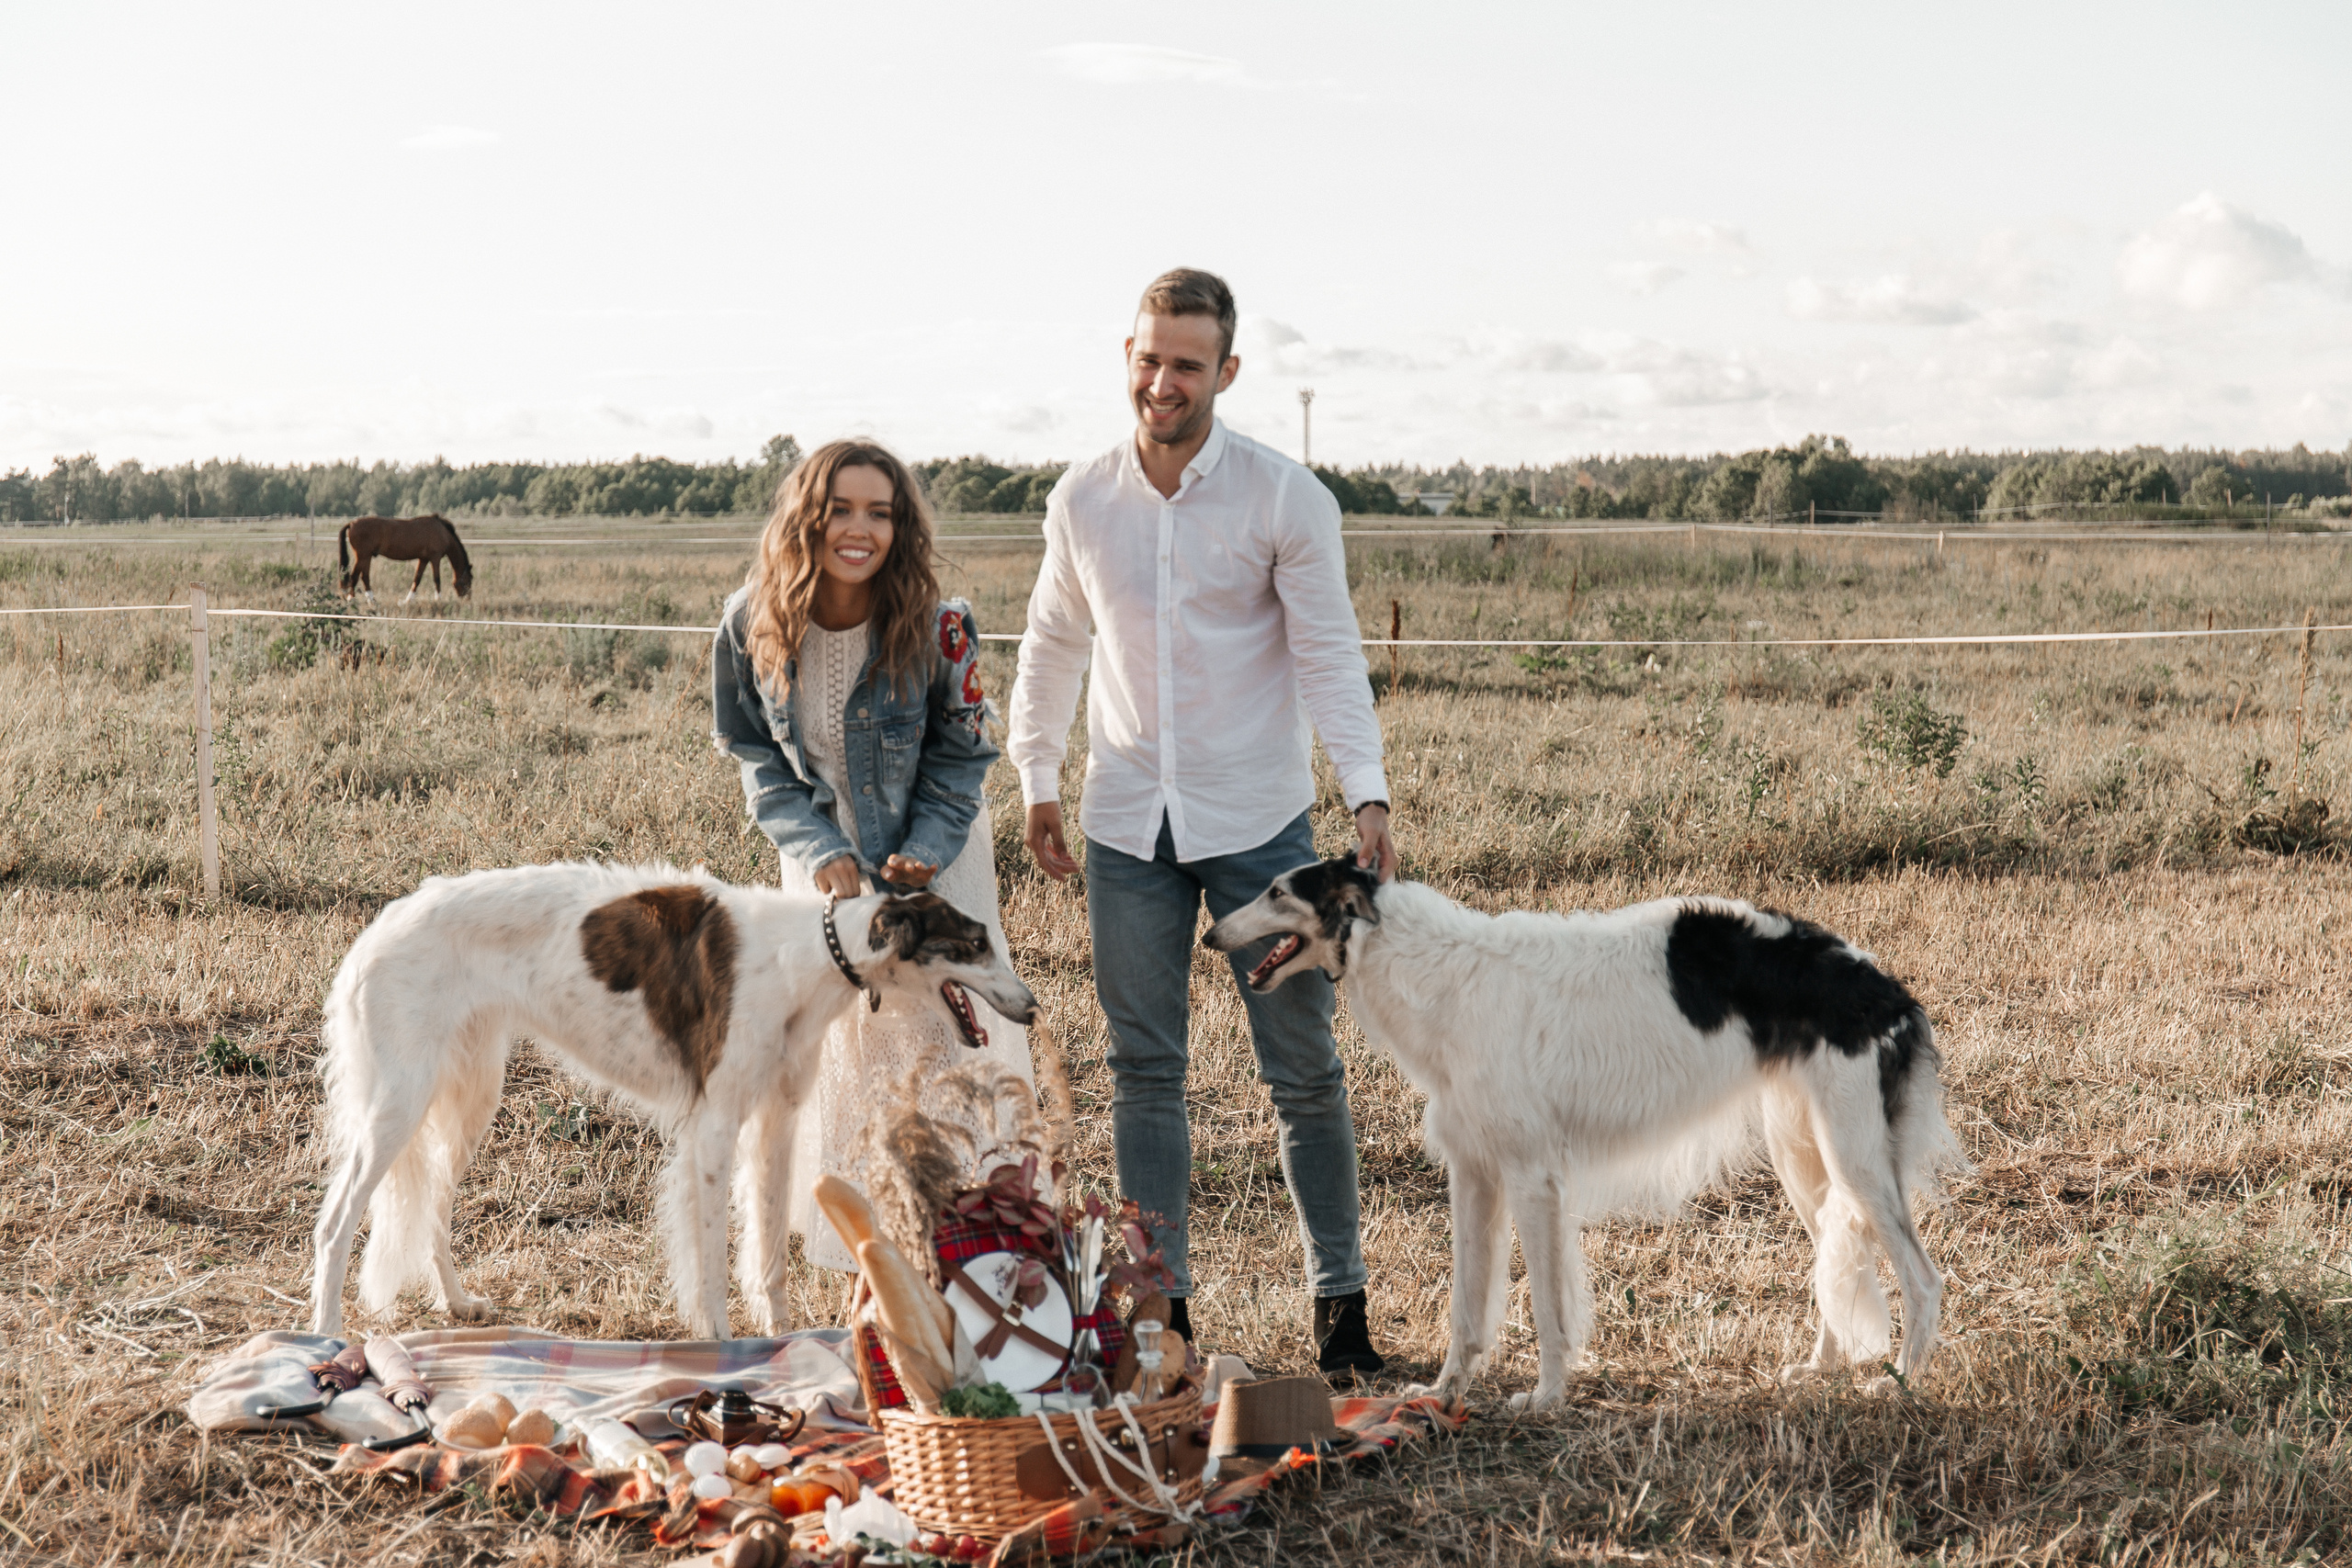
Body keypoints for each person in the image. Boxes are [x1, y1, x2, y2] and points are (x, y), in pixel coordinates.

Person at [1007, 268, 1396, 1381]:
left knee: (1303, 1069)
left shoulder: (1284, 499)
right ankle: (1161, 1317)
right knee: (1144, 1070)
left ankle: (1341, 1311)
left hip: (1260, 829)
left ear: (1226, 371)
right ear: (1124, 356)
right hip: (1127, 824)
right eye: (1147, 358)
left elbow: (1327, 653)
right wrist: (1037, 774)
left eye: (1186, 363)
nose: (1162, 382)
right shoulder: (1081, 499)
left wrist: (1362, 788)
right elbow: (1052, 646)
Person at [711, 438, 1033, 1312]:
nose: (861, 530)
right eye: (842, 510)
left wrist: (927, 843)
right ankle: (873, 1277)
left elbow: (966, 751)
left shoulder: (938, 622)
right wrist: (820, 850)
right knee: (842, 1055)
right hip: (823, 874)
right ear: (807, 518)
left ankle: (950, 1262)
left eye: (881, 512)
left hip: (935, 865)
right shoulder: (751, 622)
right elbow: (755, 757)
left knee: (934, 1057)